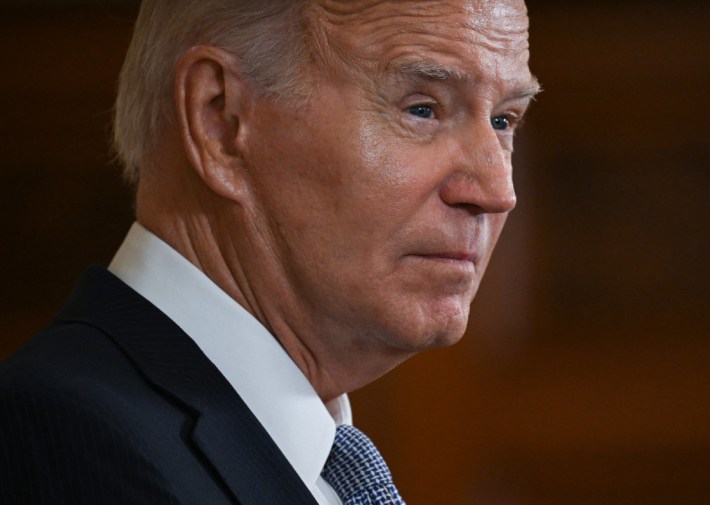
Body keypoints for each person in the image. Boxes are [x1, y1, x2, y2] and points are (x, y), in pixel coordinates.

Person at [0, 0, 539, 503]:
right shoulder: (54, 443)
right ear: (221, 119)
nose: (497, 192)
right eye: (422, 109)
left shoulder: (320, 460)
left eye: (503, 121)